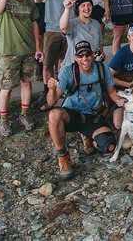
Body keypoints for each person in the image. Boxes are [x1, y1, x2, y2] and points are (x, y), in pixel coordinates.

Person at [46, 40, 125, 180]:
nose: (85, 59)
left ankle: (87, 135)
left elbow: (112, 92)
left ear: (92, 55)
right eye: (80, 56)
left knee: (109, 147)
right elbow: (51, 101)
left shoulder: (102, 69)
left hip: (93, 116)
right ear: (76, 57)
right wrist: (51, 89)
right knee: (54, 115)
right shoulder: (67, 71)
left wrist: (122, 101)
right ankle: (63, 156)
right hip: (72, 114)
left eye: (87, 54)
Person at [0, 0, 42, 137]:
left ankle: (24, 115)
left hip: (28, 50)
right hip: (9, 51)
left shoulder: (29, 1)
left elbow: (35, 24)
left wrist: (38, 47)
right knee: (6, 87)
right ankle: (4, 119)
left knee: (27, 83)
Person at [36, 0, 80, 90]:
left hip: (70, 28)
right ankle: (47, 92)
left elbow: (79, 2)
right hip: (52, 28)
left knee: (66, 62)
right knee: (47, 64)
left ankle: (63, 89)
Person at [59, 0, 104, 68]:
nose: (87, 8)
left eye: (89, 5)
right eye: (83, 5)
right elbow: (63, 27)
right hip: (73, 68)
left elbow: (99, 45)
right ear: (78, 8)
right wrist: (67, 9)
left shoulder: (96, 23)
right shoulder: (73, 24)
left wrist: (101, 55)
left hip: (91, 67)